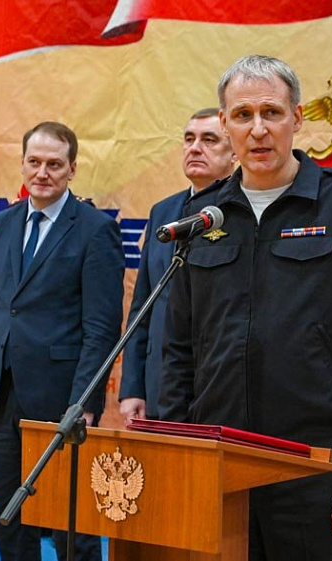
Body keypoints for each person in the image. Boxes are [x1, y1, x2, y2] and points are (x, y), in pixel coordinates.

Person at [158, 55, 332, 561]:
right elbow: (179, 346)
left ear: (297, 117)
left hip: (315, 466)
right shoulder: (203, 216)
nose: (258, 129)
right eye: (242, 115)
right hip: (218, 462)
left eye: (271, 112)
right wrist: (176, 451)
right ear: (225, 124)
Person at [0, 122, 124, 561]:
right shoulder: (2, 225)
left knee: (70, 525)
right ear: (22, 165)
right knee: (9, 517)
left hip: (61, 400)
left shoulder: (95, 230)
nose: (43, 172)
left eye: (54, 164)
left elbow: (101, 328)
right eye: (34, 162)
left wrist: (83, 402)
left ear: (72, 169)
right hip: (2, 395)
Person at [119, 108, 235, 422]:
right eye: (189, 139)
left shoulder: (242, 212)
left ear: (235, 153)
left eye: (209, 140)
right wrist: (132, 387)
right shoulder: (163, 211)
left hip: (218, 384)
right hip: (158, 383)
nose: (195, 148)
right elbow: (143, 305)